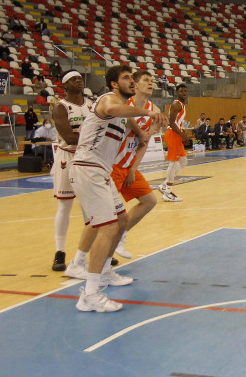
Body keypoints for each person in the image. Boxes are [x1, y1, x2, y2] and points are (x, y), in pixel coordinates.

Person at [66, 65, 166, 312]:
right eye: (126, 78)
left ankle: (106, 270)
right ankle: (89, 293)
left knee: (121, 221)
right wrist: (149, 112)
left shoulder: (124, 113)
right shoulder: (107, 99)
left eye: (133, 78)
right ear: (113, 84)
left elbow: (129, 122)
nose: (131, 81)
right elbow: (112, 109)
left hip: (102, 170)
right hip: (88, 168)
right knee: (108, 226)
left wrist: (144, 132)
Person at [110, 69, 167, 259]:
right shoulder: (126, 103)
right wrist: (140, 132)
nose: (150, 83)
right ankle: (88, 258)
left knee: (149, 200)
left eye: (152, 80)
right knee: (107, 216)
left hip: (127, 165)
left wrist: (134, 169)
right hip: (111, 164)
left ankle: (121, 236)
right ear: (135, 84)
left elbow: (144, 142)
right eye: (145, 80)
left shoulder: (155, 111)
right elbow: (126, 119)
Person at [50, 72, 92, 272]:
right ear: (64, 85)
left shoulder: (91, 104)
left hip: (88, 158)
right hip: (68, 157)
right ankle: (59, 252)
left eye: (80, 78)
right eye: (73, 79)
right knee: (65, 207)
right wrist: (96, 137)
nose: (79, 81)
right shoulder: (60, 107)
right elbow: (68, 137)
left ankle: (92, 251)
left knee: (90, 208)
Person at [160, 84, 189, 202]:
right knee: (173, 163)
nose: (184, 93)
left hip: (177, 134)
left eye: (185, 91)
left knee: (183, 162)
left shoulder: (181, 104)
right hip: (173, 134)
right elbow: (171, 122)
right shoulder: (176, 104)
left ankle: (164, 185)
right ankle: (167, 192)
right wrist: (183, 135)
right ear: (176, 92)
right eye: (181, 91)